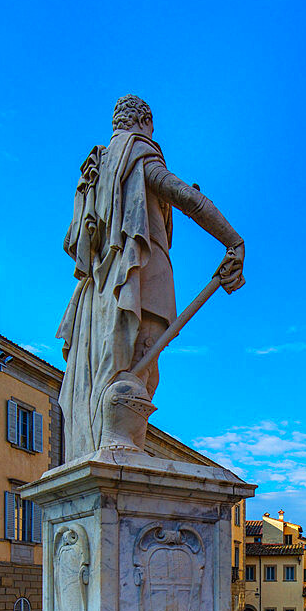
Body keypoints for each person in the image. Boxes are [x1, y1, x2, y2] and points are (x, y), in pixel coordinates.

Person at [57, 94, 244, 460]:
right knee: (141, 372)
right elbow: (184, 196)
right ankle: (121, 447)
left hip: (100, 286)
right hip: (139, 270)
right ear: (144, 121)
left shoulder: (96, 172)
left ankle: (110, 444)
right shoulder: (138, 154)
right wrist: (233, 240)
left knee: (114, 367)